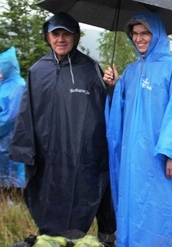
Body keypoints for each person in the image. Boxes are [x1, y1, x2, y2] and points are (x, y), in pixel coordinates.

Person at [9, 12, 116, 245]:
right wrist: (25, 151)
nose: (60, 39)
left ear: (76, 38)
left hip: (82, 157)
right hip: (47, 157)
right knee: (48, 204)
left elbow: (108, 109)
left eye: (66, 34)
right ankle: (51, 241)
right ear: (48, 37)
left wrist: (111, 88)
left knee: (83, 204)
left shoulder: (90, 69)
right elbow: (26, 112)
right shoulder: (38, 71)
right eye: (55, 34)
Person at [103, 12, 172, 247]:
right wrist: (113, 87)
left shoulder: (171, 70)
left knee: (163, 209)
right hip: (132, 158)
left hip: (158, 158)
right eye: (135, 34)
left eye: (145, 33)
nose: (139, 39)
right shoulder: (130, 71)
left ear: (156, 34)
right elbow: (123, 108)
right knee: (135, 204)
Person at [0, 47, 25, 191]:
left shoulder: (18, 86)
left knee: (11, 170)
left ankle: (13, 199)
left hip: (11, 136)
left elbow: (12, 116)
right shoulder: (4, 84)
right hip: (3, 136)